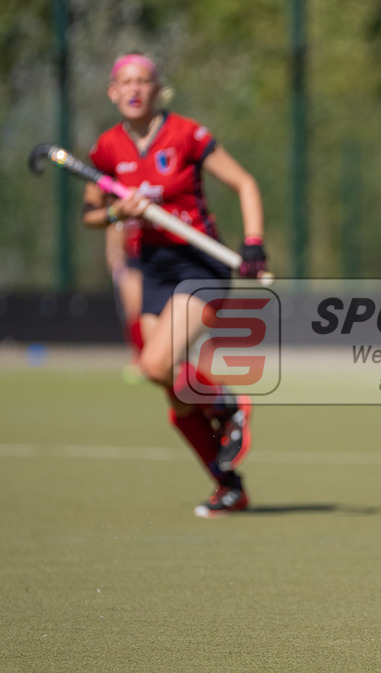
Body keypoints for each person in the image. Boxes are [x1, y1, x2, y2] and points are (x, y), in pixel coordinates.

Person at [81, 53, 268, 517]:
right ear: (112, 92)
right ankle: (228, 486)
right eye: (125, 82)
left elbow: (245, 183)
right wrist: (115, 214)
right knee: (171, 387)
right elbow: (90, 214)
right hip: (155, 269)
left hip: (200, 262)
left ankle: (227, 402)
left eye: (143, 81)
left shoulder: (186, 134)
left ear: (156, 88)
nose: (134, 89)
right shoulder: (107, 148)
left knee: (153, 364)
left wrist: (253, 244)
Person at [104, 219, 144, 382]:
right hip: (133, 259)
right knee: (133, 308)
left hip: (161, 258)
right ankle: (140, 358)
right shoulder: (120, 199)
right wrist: (117, 266)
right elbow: (114, 232)